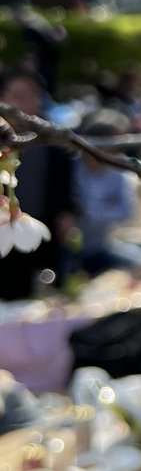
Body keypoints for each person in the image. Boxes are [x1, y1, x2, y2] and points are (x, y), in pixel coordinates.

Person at [0, 69, 77, 299]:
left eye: (32, 95)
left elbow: (67, 186)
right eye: (17, 96)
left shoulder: (52, 139)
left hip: (42, 230)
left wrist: (68, 212)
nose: (25, 103)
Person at [73, 111, 137, 275]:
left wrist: (88, 209)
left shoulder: (120, 168)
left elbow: (126, 213)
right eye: (114, 147)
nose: (118, 153)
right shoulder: (71, 167)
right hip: (70, 250)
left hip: (101, 246)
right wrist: (106, 207)